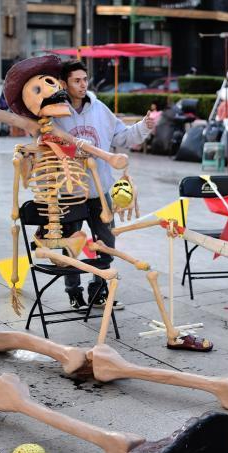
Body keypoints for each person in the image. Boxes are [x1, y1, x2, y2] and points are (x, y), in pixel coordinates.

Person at [54, 60, 155, 311]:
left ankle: (98, 291)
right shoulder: (54, 111)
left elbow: (121, 137)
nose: (83, 85)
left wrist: (143, 127)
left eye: (84, 79)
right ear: (64, 83)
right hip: (69, 192)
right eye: (76, 80)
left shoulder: (99, 108)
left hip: (100, 193)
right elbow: (43, 141)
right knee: (70, 246)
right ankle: (74, 293)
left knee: (106, 245)